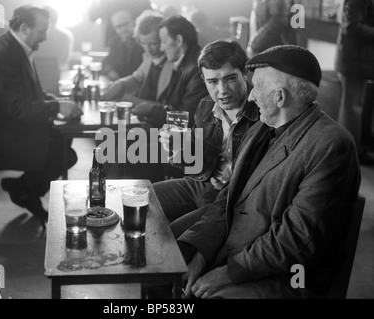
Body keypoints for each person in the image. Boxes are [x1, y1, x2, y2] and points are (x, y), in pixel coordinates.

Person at [171, 45, 360, 299]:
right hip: (241, 246)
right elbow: (229, 198)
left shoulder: (331, 144)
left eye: (257, 87)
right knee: (168, 257)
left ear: (280, 97)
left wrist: (228, 272)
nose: (250, 97)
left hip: (289, 275)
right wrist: (201, 252)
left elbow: (295, 240)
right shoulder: (262, 127)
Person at [0, 5, 83, 222]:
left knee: (63, 144)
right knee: (64, 154)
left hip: (12, 128)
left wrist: (58, 102)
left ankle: (22, 187)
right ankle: (25, 190)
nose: (45, 37)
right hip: (3, 138)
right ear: (24, 28)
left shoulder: (15, 47)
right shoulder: (3, 56)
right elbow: (17, 109)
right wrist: (57, 108)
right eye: (42, 30)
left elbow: (33, 94)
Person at [153, 40, 259, 238]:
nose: (222, 90)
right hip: (203, 182)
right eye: (213, 82)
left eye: (230, 79)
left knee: (173, 234)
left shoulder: (262, 111)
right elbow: (197, 165)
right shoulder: (205, 106)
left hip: (233, 196)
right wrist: (178, 150)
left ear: (245, 73)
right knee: (143, 198)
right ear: (203, 79)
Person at [132, 15, 208, 129]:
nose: (162, 48)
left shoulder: (195, 70)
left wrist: (152, 110)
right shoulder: (183, 64)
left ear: (179, 40)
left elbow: (186, 119)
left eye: (163, 41)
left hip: (187, 142)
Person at [101, 10, 172, 105]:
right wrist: (120, 84)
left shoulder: (174, 63)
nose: (148, 50)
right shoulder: (150, 56)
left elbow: (171, 108)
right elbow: (138, 76)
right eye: (144, 44)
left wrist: (138, 102)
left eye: (153, 44)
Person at [335, 0, 374, 165]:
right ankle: (349, 154)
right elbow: (352, 27)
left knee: (356, 108)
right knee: (352, 110)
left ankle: (355, 150)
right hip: (353, 62)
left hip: (359, 61)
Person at [101, 9, 144, 81]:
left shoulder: (142, 41)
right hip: (120, 84)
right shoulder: (115, 43)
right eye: (119, 26)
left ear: (132, 22)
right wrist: (110, 71)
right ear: (115, 29)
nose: (123, 29)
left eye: (126, 24)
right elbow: (106, 62)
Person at [35, 5, 74, 71]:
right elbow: (64, 62)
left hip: (33, 75)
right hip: (57, 75)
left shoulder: (31, 34)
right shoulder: (66, 35)